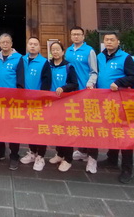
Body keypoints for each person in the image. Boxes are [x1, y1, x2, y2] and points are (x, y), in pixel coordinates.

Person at [97, 32, 134, 183]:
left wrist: (120, 82)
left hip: (120, 101)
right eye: (106, 40)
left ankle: (127, 169)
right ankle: (112, 159)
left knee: (124, 134)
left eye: (112, 40)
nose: (109, 42)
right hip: (104, 101)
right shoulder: (100, 56)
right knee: (111, 131)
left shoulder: (125, 57)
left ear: (118, 41)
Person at [65, 26, 99, 174]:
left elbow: (94, 71)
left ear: (83, 36)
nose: (76, 36)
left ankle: (93, 158)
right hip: (72, 93)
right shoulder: (68, 50)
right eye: (73, 34)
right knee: (76, 123)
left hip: (86, 93)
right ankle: (82, 150)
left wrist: (90, 84)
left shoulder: (89, 51)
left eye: (78, 34)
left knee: (90, 126)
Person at [0, 33, 25, 170]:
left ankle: (14, 155)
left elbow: (20, 80)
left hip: (12, 100)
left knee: (13, 128)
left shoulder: (19, 58)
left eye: (7, 42)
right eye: (2, 42)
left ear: (11, 43)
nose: (5, 44)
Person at [19, 37, 52, 171]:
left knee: (40, 129)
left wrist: (41, 99)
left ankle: (41, 156)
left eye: (35, 44)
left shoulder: (44, 62)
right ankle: (32, 152)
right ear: (27, 46)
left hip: (38, 102)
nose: (32, 46)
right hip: (25, 101)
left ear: (39, 47)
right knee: (30, 128)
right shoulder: (21, 59)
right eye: (30, 44)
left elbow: (46, 82)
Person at [46, 41, 79, 173]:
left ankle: (68, 159)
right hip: (52, 103)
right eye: (53, 49)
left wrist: (63, 88)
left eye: (57, 49)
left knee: (66, 130)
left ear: (62, 52)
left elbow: (74, 84)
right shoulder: (48, 66)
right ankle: (59, 154)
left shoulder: (69, 67)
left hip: (65, 103)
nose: (55, 52)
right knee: (57, 129)